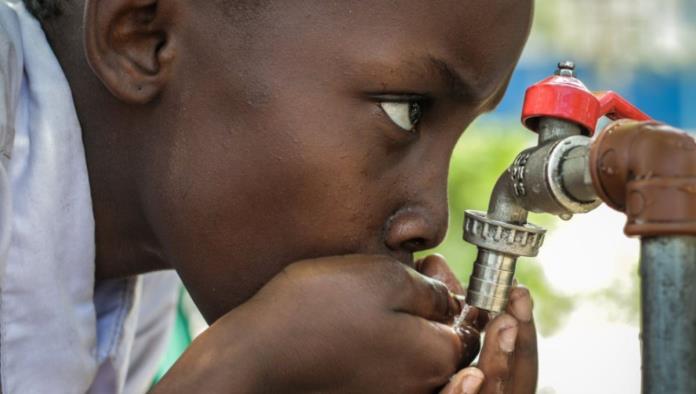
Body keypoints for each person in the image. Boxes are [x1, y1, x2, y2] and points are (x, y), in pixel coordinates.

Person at [0, 0, 537, 392]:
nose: (432, 220)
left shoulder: (136, 297)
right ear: (144, 39)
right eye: (406, 110)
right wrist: (230, 376)